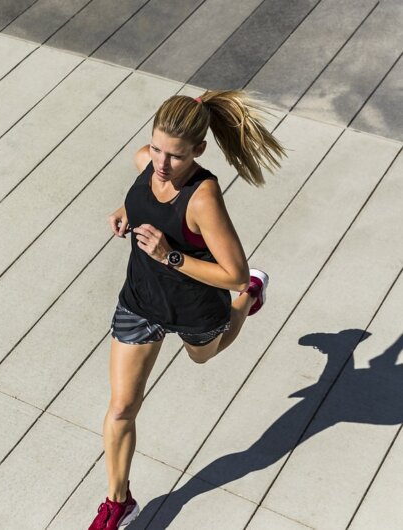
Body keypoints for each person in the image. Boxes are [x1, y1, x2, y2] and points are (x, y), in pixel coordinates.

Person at [88, 90, 287, 530]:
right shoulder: (146, 161)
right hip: (140, 300)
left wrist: (171, 257)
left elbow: (232, 272)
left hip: (195, 305)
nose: (161, 164)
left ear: (198, 151)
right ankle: (118, 503)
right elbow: (144, 192)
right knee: (121, 407)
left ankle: (252, 298)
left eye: (175, 157)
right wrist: (124, 210)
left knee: (204, 355)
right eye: (157, 148)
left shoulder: (203, 197)